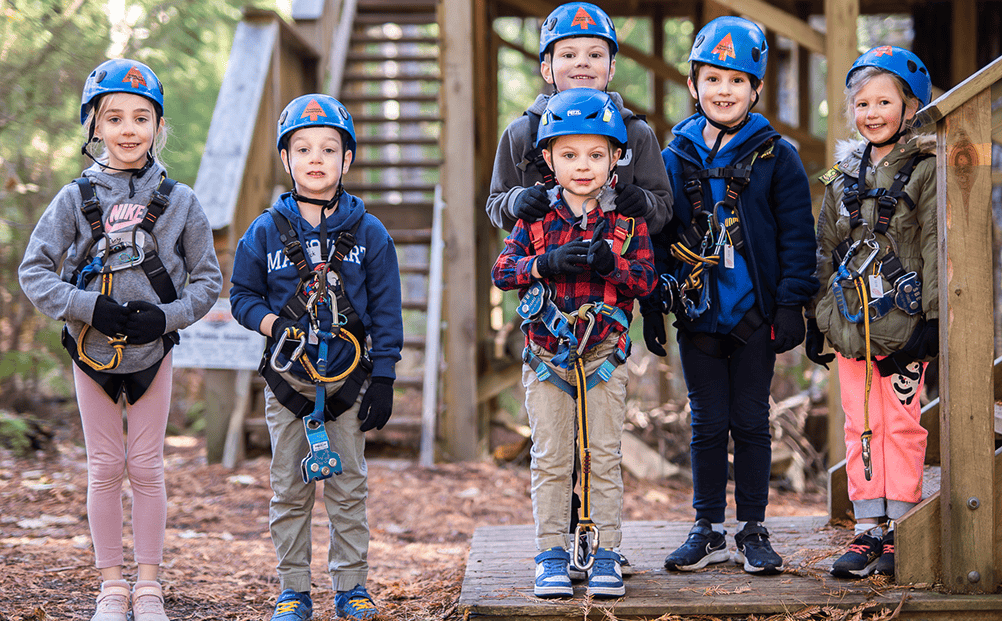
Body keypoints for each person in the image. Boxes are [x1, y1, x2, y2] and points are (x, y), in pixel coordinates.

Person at [18, 59, 223, 621]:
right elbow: (34, 271)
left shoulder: (180, 202)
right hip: (90, 350)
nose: (128, 129)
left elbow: (208, 280)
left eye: (141, 117)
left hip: (153, 352)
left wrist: (168, 319)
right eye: (114, 118)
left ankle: (149, 586)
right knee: (105, 466)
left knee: (148, 466)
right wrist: (88, 306)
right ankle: (112, 585)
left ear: (159, 128)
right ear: (94, 127)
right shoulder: (73, 199)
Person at [640, 17, 818, 575]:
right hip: (698, 314)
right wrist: (652, 300)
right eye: (713, 78)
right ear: (693, 84)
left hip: (756, 316)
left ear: (755, 88)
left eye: (737, 80)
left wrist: (793, 304)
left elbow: (797, 234)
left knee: (750, 421)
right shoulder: (675, 156)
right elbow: (659, 234)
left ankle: (754, 528)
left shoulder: (777, 156)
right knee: (706, 422)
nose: (724, 89)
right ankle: (708, 527)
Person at [229, 94, 403, 620]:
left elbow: (386, 311)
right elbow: (241, 296)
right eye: (302, 148)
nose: (316, 158)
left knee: (349, 487)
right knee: (289, 489)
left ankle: (351, 588)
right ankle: (293, 590)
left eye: (329, 148)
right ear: (286, 158)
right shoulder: (265, 231)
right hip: (288, 381)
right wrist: (275, 324)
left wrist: (385, 378)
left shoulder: (370, 234)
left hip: (349, 381)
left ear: (347, 160)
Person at [492, 88, 656, 599]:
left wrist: (616, 266)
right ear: (547, 158)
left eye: (595, 155)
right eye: (568, 155)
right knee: (552, 457)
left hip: (605, 358)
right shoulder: (534, 218)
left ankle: (605, 552)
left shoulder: (628, 222)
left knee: (603, 456)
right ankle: (551, 554)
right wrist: (543, 265)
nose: (582, 167)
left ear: (615, 159)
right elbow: (502, 271)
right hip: (547, 360)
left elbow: (647, 281)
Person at [805, 46, 936, 580]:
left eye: (885, 101)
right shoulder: (842, 177)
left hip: (905, 329)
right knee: (861, 424)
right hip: (852, 325)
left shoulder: (926, 172)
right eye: (862, 104)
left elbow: (934, 244)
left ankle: (903, 528)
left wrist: (930, 322)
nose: (872, 113)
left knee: (900, 425)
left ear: (910, 108)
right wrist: (816, 318)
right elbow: (825, 247)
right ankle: (869, 529)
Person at [485, 1, 673, 236]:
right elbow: (495, 203)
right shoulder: (521, 133)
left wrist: (645, 203)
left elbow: (664, 208)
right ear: (546, 69)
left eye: (595, 54)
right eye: (568, 54)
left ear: (611, 68)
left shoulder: (636, 133)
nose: (582, 62)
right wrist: (516, 201)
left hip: (618, 266)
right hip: (542, 267)